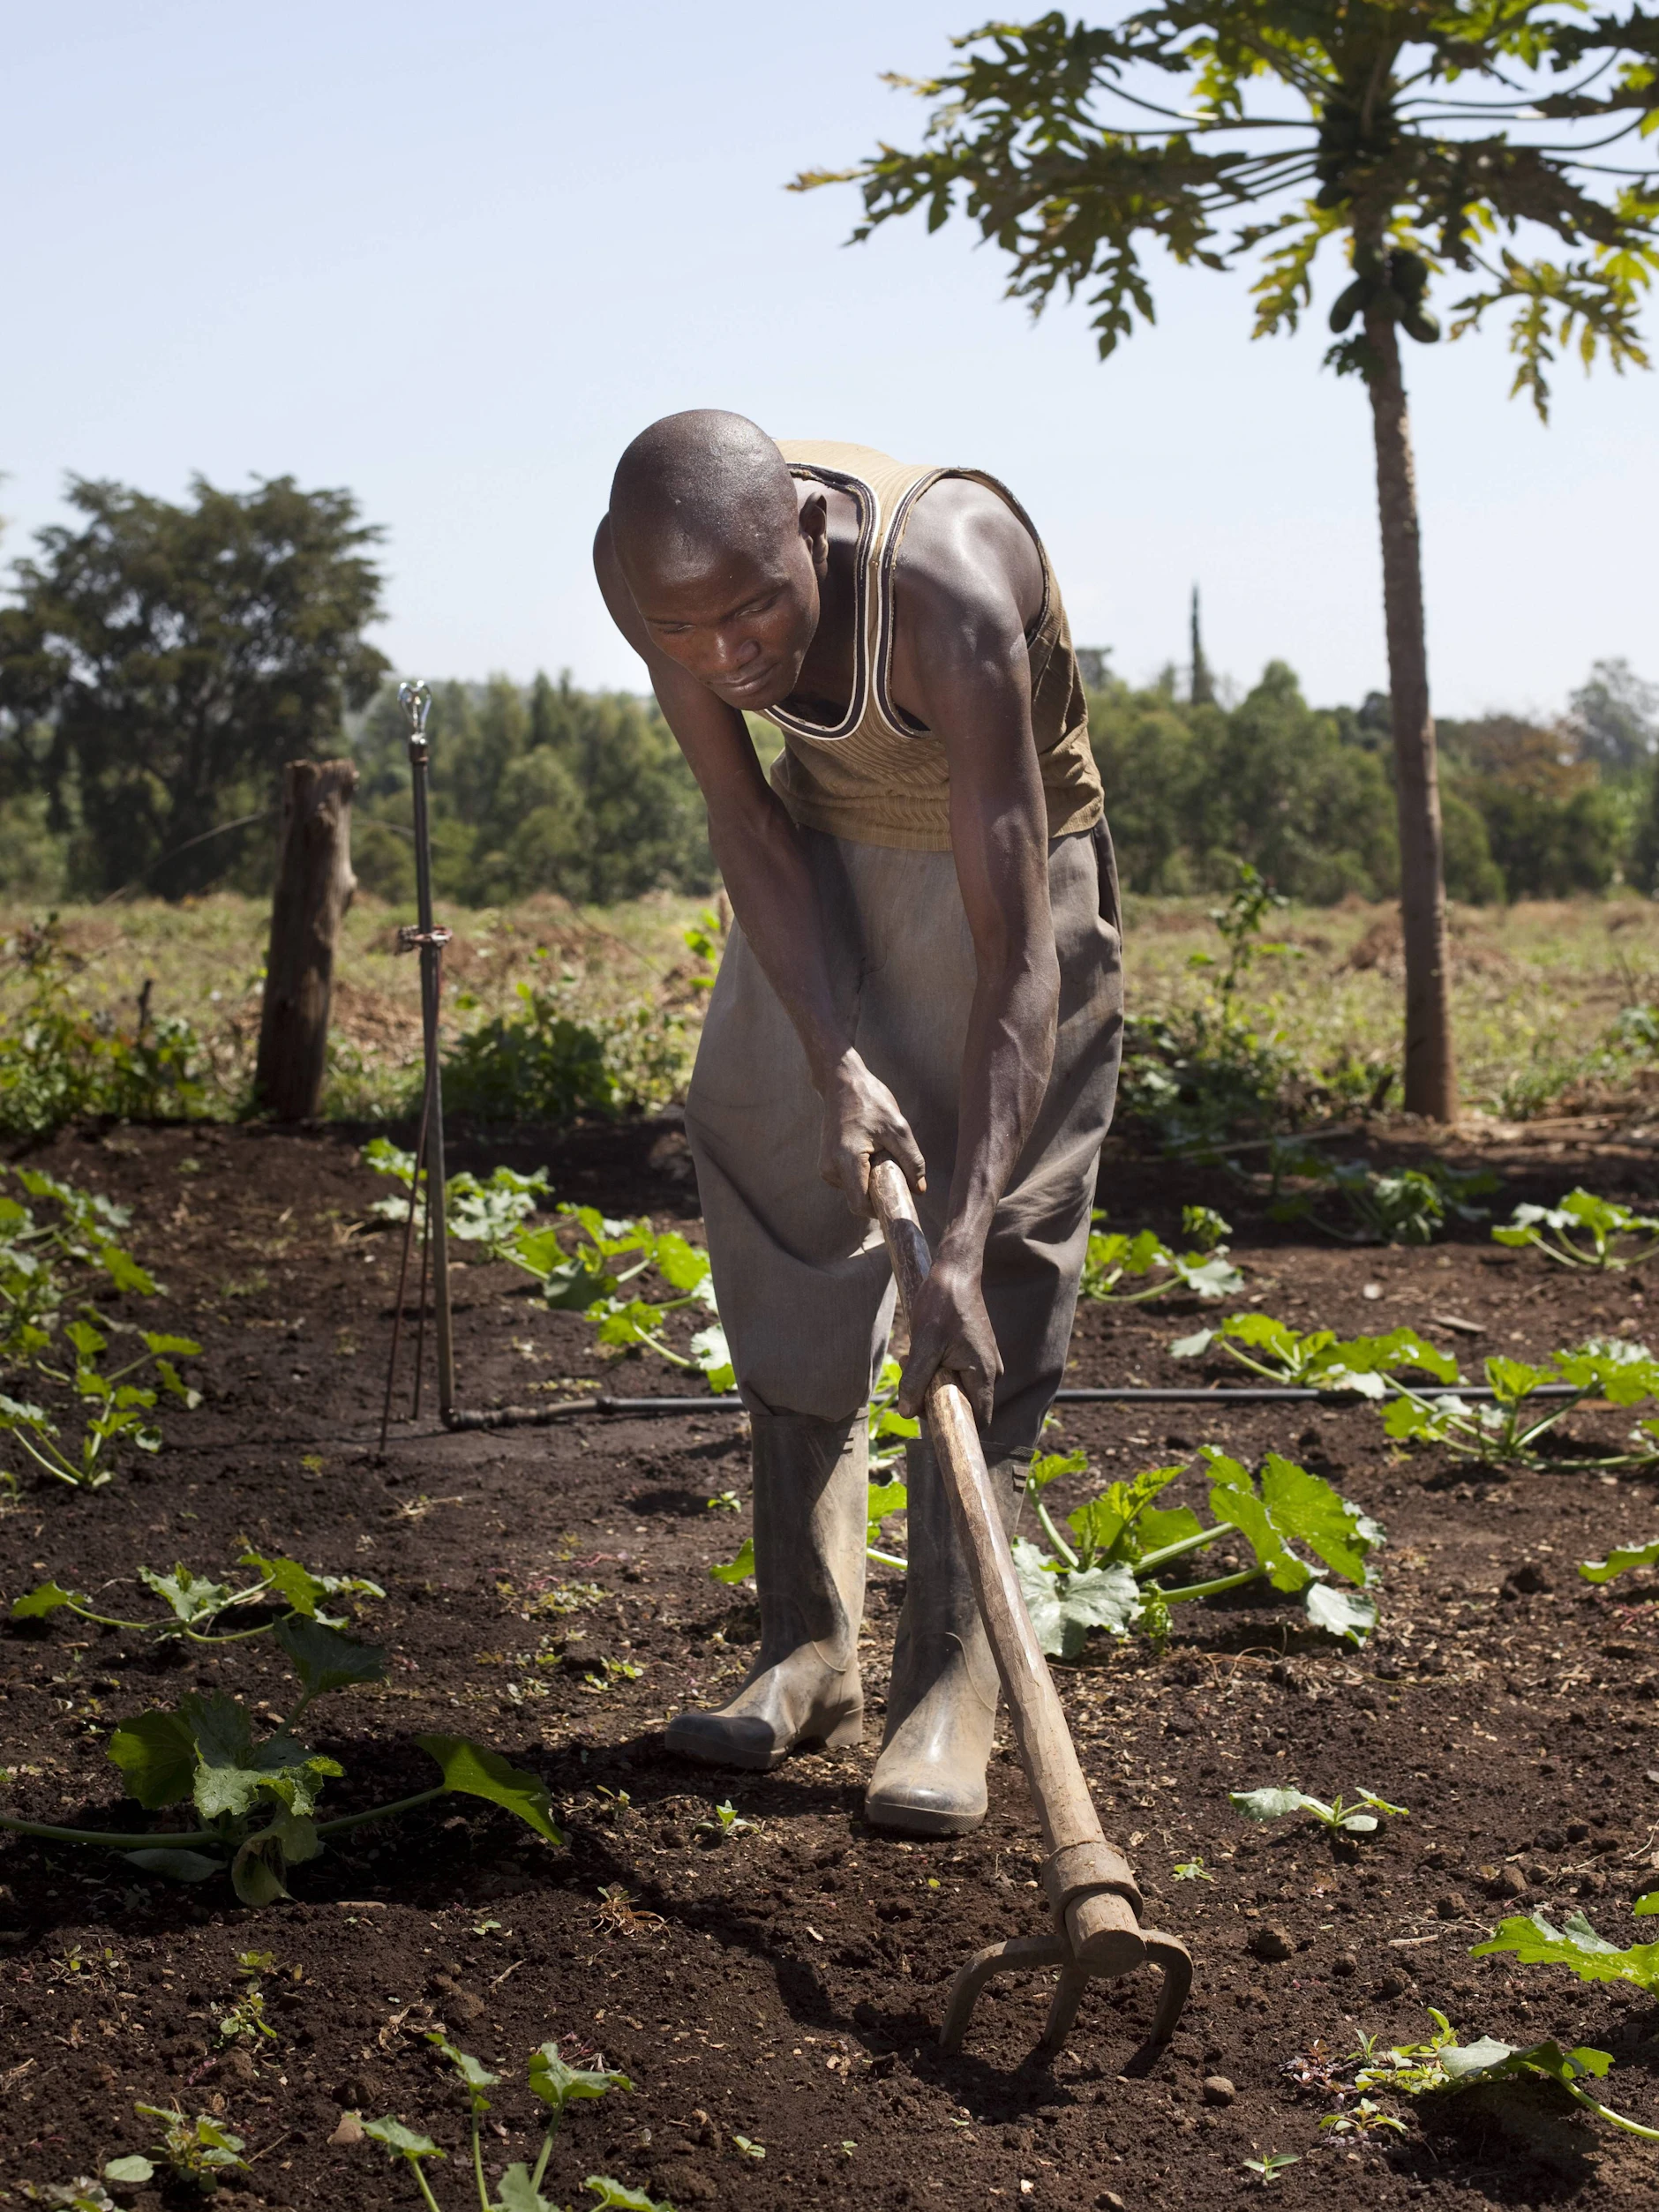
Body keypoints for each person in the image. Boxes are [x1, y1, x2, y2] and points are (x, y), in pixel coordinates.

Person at [593, 414, 1122, 1836]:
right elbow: (745, 816)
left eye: (755, 604)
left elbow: (1015, 941)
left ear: (811, 538)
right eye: (683, 627)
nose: (725, 652)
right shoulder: (647, 576)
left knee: (988, 1257)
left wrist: (950, 1238)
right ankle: (809, 1652)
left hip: (1003, 872)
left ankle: (950, 1690)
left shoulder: (942, 589)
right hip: (816, 861)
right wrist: (831, 1056)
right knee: (776, 1173)